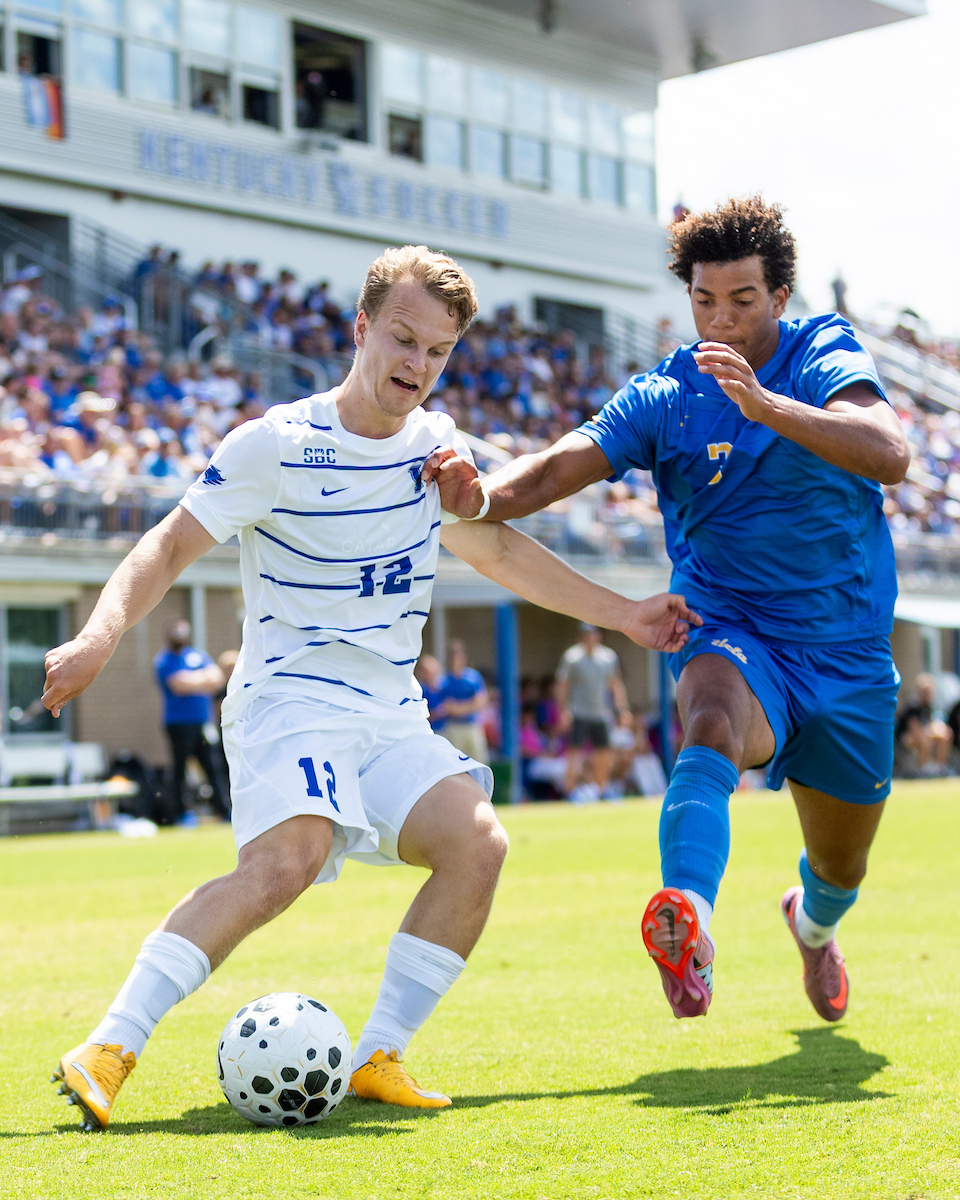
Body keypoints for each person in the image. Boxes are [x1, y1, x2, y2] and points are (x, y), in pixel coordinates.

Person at [42, 244, 700, 1131]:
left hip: (389, 715)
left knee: (478, 844)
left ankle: (379, 1055)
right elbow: (166, 546)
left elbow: (499, 550)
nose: (417, 364)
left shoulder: (437, 449)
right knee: (286, 862)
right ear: (362, 328)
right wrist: (98, 636)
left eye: (437, 351)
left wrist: (624, 615)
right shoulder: (276, 445)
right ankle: (109, 1047)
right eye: (403, 338)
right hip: (288, 700)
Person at [425, 196, 910, 1026]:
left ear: (780, 296)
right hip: (730, 627)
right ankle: (689, 918)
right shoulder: (665, 395)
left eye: (743, 300)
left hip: (848, 651)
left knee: (841, 869)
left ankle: (813, 923)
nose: (720, 319)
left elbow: (890, 454)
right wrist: (480, 496)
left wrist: (765, 406)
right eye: (703, 299)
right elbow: (556, 468)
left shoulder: (823, 352)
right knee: (710, 721)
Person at [154, 620, 229, 824]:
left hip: (202, 722)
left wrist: (192, 680)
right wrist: (203, 680)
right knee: (180, 770)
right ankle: (180, 813)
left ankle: (224, 811)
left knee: (213, 767)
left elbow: (217, 679)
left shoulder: (198, 655)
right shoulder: (164, 660)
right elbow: (178, 685)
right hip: (178, 724)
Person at [555, 623, 627, 803]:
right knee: (574, 751)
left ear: (598, 636)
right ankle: (569, 791)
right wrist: (563, 710)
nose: (589, 638)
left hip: (601, 713)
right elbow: (563, 685)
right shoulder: (572, 657)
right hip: (579, 712)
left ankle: (602, 790)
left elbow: (615, 684)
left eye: (592, 634)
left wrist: (622, 709)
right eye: (586, 635)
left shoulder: (608, 657)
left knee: (604, 752)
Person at [437, 639, 489, 764]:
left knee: (478, 762)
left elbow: (481, 701)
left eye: (458, 654)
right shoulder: (444, 680)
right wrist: (470, 705)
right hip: (453, 727)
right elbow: (447, 707)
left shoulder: (473, 677)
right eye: (452, 654)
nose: (455, 658)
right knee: (455, 763)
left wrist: (459, 708)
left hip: (472, 725)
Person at [896, 672, 952, 776]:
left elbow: (933, 725)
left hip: (924, 734)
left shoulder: (930, 707)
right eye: (925, 692)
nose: (928, 694)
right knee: (923, 738)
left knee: (944, 735)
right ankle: (923, 770)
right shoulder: (913, 707)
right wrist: (930, 732)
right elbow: (914, 729)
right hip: (905, 738)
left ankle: (939, 768)